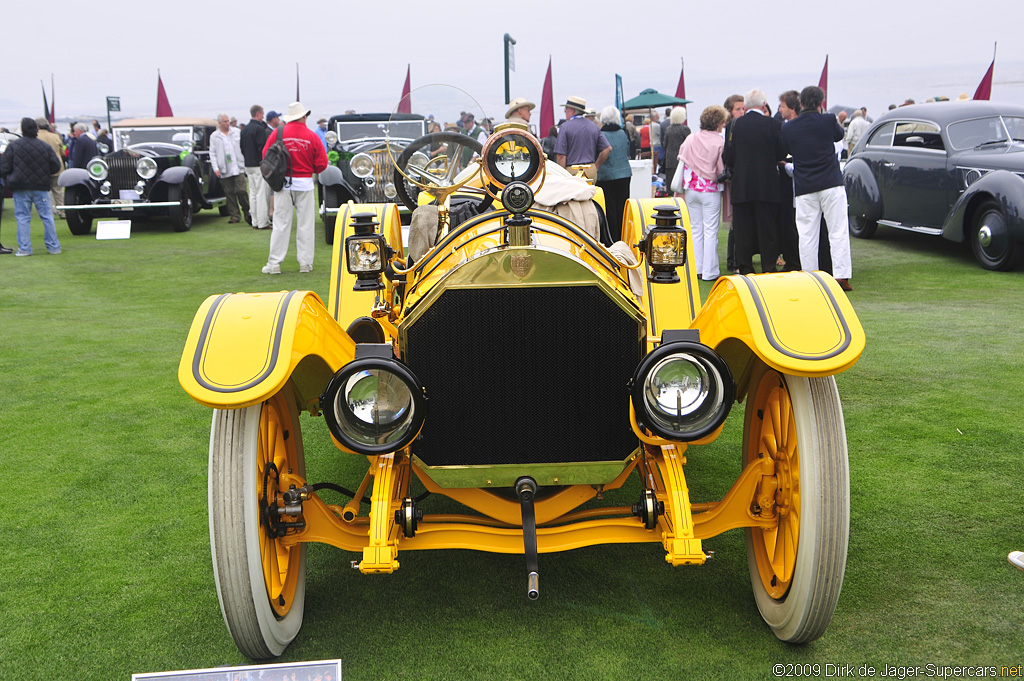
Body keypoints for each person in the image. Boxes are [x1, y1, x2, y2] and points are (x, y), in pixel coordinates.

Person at [780, 85, 853, 291]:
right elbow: (838, 136)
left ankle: (810, 277)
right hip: (831, 182)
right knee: (837, 230)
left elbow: (786, 150)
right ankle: (841, 275)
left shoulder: (788, 127)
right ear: (821, 102)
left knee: (806, 233)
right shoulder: (828, 120)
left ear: (800, 103)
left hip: (805, 185)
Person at [260, 101, 329, 275]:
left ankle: (274, 263)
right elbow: (321, 163)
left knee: (280, 224)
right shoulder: (312, 136)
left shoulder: (278, 133)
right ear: (303, 116)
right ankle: (305, 263)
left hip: (283, 185)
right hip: (304, 184)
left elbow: (265, 156)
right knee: (305, 225)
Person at [722, 88, 785, 275]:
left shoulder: (734, 126)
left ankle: (745, 267)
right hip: (767, 185)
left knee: (742, 230)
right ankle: (768, 266)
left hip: (741, 185)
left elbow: (728, 156)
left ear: (747, 106)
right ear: (764, 104)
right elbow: (781, 153)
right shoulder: (773, 124)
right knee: (768, 229)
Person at [679, 105, 728, 281]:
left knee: (695, 229)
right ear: (718, 123)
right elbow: (721, 169)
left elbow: (681, 157)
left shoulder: (691, 138)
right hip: (710, 189)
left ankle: (696, 268)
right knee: (710, 231)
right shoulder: (720, 141)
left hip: (691, 189)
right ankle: (710, 271)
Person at [0, 117, 62, 256]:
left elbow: (4, 167)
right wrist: (45, 173)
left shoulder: (14, 146)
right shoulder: (44, 146)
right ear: (37, 129)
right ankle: (53, 247)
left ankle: (25, 248)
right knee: (47, 217)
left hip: (20, 186)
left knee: (23, 218)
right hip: (40, 186)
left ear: (22, 129)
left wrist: (11, 177)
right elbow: (56, 165)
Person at [595, 106, 632, 245]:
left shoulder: (601, 134)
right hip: (624, 174)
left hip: (606, 176)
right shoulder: (623, 133)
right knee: (622, 208)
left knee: (609, 210)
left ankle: (612, 240)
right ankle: (624, 237)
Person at [210, 113, 250, 224]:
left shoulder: (237, 132)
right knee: (229, 193)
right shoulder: (214, 136)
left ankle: (247, 211)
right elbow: (212, 153)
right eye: (225, 121)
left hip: (238, 166)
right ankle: (235, 216)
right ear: (219, 123)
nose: (227, 123)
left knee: (241, 191)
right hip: (224, 168)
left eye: (228, 121)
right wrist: (215, 168)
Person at [721, 94, 745, 272]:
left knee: (736, 221)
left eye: (743, 108)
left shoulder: (737, 127)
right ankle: (733, 260)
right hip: (733, 178)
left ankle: (735, 259)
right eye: (738, 109)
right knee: (735, 222)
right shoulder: (729, 128)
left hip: (736, 177)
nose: (742, 112)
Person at [554, 96, 610, 172]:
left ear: (573, 111)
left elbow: (561, 156)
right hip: (590, 169)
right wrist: (596, 166)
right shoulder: (593, 126)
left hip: (572, 170)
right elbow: (607, 148)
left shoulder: (565, 127)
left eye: (566, 109)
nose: (564, 111)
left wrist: (561, 173)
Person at [241, 105, 273, 229]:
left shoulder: (244, 130)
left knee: (253, 193)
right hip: (258, 165)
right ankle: (263, 222)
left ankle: (255, 221)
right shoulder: (259, 129)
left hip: (248, 165)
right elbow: (262, 149)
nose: (263, 116)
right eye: (262, 114)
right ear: (258, 114)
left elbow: (242, 148)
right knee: (261, 194)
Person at [35, 118, 65, 219]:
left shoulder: (36, 137)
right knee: (58, 190)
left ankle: (50, 211)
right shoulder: (55, 136)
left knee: (46, 191)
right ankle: (62, 211)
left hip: (42, 168)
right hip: (58, 166)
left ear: (37, 126)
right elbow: (62, 152)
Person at [662, 106, 691, 190]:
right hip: (682, 159)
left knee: (671, 184)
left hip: (670, 159)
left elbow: (665, 144)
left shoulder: (668, 130)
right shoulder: (685, 129)